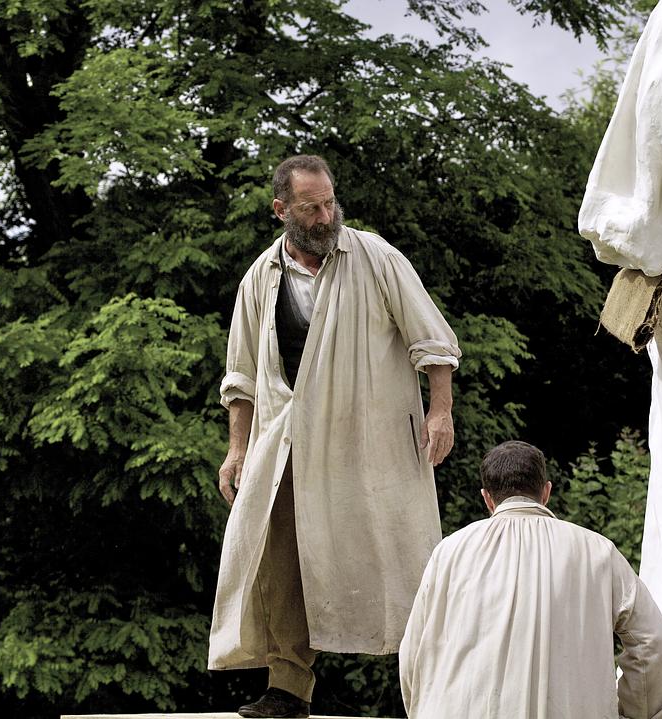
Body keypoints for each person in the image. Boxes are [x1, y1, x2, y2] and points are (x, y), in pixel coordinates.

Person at [208, 155, 461, 718]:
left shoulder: (376, 257)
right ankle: (288, 688)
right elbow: (241, 377)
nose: (326, 217)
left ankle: (431, 689)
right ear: (281, 210)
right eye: (311, 208)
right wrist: (237, 449)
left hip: (369, 441)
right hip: (286, 444)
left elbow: (433, 341)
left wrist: (440, 412)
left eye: (329, 203)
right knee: (282, 563)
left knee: (398, 557)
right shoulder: (260, 278)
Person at [399, 441, 662, 719]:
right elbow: (652, 645)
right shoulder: (598, 551)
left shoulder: (450, 552)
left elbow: (413, 654)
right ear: (546, 492)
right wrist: (635, 712)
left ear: (487, 498)